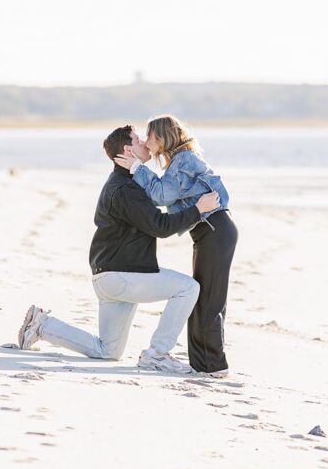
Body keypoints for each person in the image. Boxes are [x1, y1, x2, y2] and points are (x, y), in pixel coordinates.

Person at [16, 124, 221, 374]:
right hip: (121, 275)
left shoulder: (124, 182)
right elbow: (161, 226)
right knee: (188, 288)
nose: (145, 142)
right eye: (138, 140)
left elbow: (160, 206)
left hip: (110, 276)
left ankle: (42, 325)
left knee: (109, 350)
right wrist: (198, 209)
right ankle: (157, 354)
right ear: (127, 149)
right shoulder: (126, 189)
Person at [113, 114, 236, 378]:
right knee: (204, 297)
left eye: (151, 135)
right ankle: (202, 363)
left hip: (216, 230)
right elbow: (163, 194)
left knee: (211, 299)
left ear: (163, 136)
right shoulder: (179, 161)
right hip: (209, 232)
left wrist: (136, 168)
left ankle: (215, 365)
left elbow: (161, 195)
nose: (147, 141)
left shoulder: (184, 159)